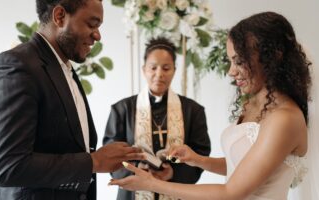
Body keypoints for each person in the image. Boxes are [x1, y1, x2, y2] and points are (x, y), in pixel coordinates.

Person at [109, 11, 312, 200]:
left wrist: (153, 184)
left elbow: (231, 191)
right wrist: (198, 160)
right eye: (230, 61)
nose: (231, 72)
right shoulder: (254, 104)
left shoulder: (285, 118)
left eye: (239, 61)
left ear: (272, 57)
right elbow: (242, 167)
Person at [0, 1, 143, 200]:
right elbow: (7, 167)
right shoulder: (17, 65)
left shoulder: (63, 68)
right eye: (92, 24)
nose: (97, 36)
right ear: (59, 16)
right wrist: (94, 162)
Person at [103, 37, 211, 200]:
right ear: (144, 69)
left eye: (166, 68)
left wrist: (173, 173)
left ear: (174, 70)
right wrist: (138, 169)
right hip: (133, 194)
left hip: (177, 191)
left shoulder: (193, 110)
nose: (159, 74)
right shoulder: (122, 109)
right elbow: (111, 154)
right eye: (153, 68)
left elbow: (201, 153)